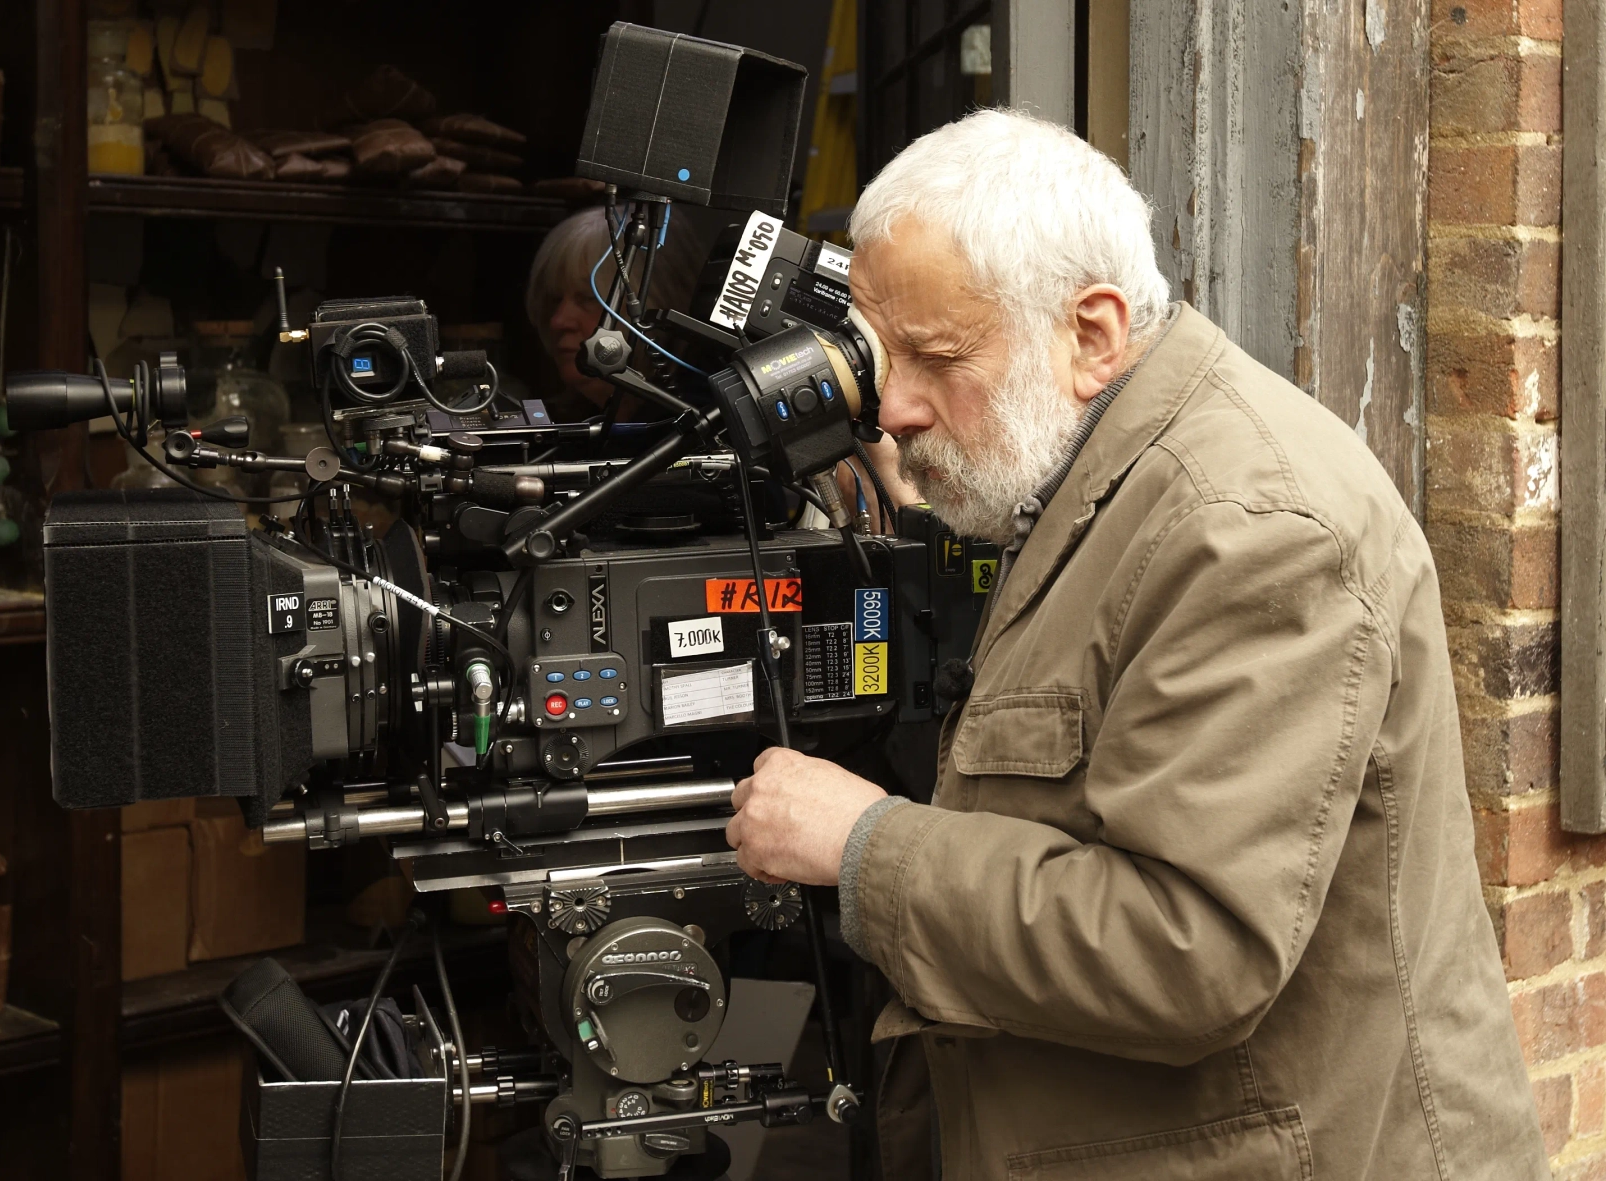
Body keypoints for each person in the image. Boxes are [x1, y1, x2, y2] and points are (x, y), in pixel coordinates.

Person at [725, 109, 1546, 1178]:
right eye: (887, 357)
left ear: (1095, 332)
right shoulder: (1093, 465)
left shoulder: (1250, 529)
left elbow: (1188, 947)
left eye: (935, 356)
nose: (895, 408)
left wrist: (864, 845)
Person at [524, 205, 704, 423]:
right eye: (554, 299)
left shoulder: (708, 424)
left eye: (590, 298)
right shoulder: (567, 425)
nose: (558, 321)